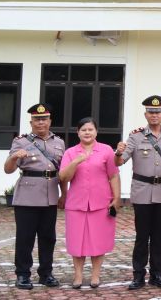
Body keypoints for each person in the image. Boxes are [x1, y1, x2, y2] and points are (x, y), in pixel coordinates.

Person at [115, 95, 161, 290]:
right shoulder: (135, 136)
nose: (154, 115)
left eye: (158, 112)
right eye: (151, 112)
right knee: (142, 236)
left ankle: (156, 274)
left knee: (158, 236)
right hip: (142, 191)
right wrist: (117, 152)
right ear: (145, 114)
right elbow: (120, 161)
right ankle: (138, 275)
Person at [3, 103, 67, 290]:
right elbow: (7, 170)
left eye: (44, 119)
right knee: (25, 237)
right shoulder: (21, 141)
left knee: (48, 237)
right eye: (37, 119)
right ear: (31, 122)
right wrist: (14, 158)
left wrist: (64, 194)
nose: (41, 122)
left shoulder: (59, 142)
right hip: (27, 196)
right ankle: (23, 274)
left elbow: (62, 171)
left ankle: (46, 274)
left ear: (50, 121)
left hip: (50, 194)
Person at [59, 117, 121, 289]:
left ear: (96, 132)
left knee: (98, 241)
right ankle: (78, 276)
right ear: (78, 132)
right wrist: (76, 162)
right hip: (77, 203)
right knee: (76, 241)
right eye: (83, 130)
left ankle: (95, 275)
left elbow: (113, 175)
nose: (87, 132)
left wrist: (116, 198)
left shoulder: (106, 150)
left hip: (101, 202)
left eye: (90, 129)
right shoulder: (70, 152)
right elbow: (64, 177)